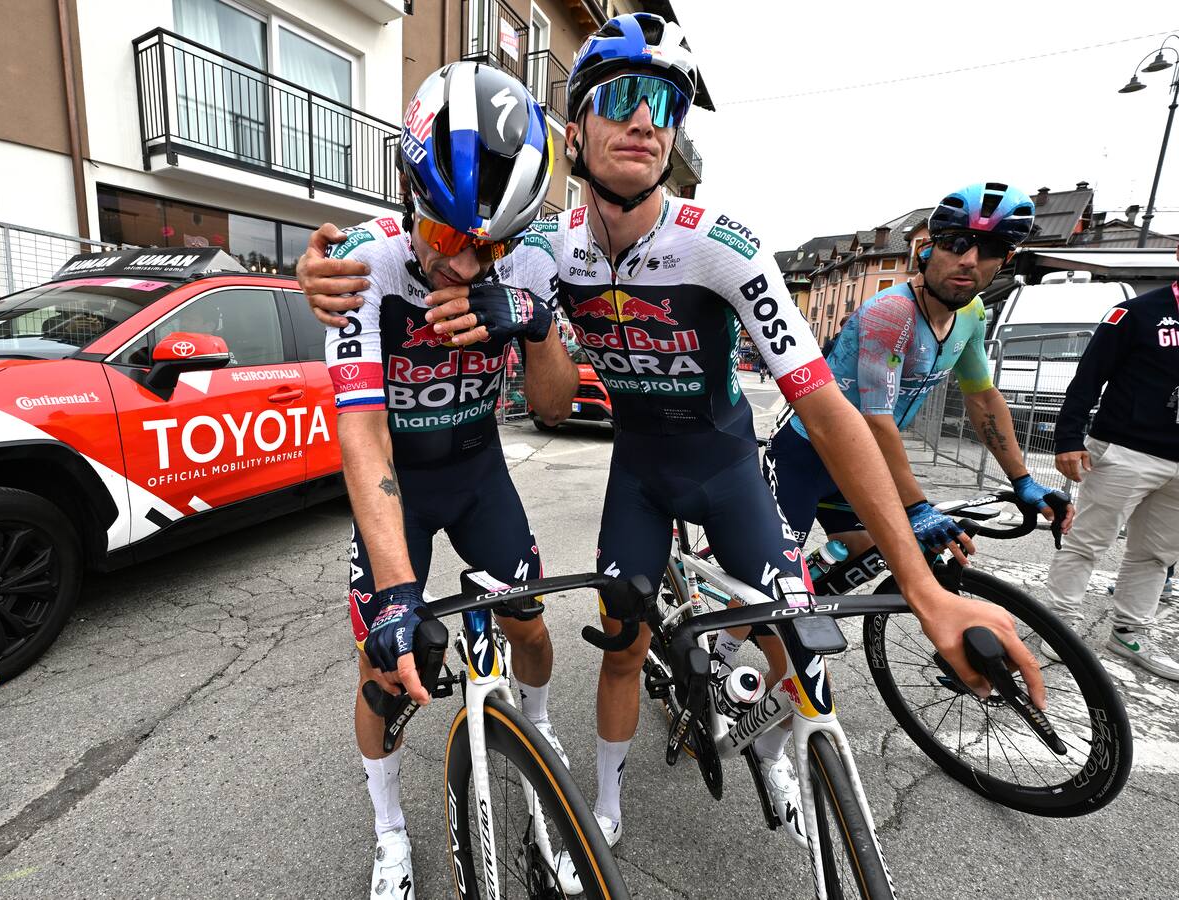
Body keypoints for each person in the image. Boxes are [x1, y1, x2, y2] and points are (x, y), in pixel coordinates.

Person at [299, 16, 1043, 892]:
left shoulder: (719, 244)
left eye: (665, 103)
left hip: (724, 462)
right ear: (576, 132)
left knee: (791, 641)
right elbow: (501, 393)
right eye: (620, 98)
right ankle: (542, 811)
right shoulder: (537, 248)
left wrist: (921, 587)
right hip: (627, 473)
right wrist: (501, 307)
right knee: (610, 645)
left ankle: (775, 742)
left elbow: (827, 405)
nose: (646, 120)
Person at [310, 63, 577, 899]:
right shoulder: (367, 265)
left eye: (491, 244)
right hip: (402, 486)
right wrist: (396, 590)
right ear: (407, 191)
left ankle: (539, 740)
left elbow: (558, 406)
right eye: (453, 236)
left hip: (479, 474)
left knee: (530, 630)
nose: (467, 264)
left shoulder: (528, 264)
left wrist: (531, 324)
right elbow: (360, 432)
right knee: (384, 670)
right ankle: (389, 829)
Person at [764, 183, 1074, 568]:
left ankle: (805, 593)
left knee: (868, 550)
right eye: (957, 244)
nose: (969, 260)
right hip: (807, 455)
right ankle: (739, 623)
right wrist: (916, 505)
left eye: (990, 249)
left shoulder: (972, 313)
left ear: (1005, 259)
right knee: (772, 581)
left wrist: (1023, 480)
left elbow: (983, 398)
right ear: (927, 249)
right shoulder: (892, 312)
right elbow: (875, 420)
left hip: (862, 460)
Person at [1041, 251, 1179, 681]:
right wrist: (1067, 439)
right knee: (1088, 541)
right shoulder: (1137, 313)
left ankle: (1129, 631)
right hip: (1124, 449)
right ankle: (1058, 624)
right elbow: (1088, 377)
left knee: (1156, 554)